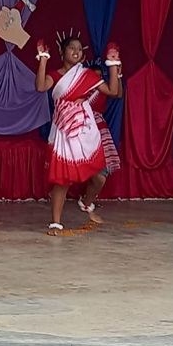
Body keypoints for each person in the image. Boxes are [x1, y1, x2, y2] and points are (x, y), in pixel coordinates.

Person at [35, 31, 122, 236]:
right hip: (64, 131)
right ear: (61, 51)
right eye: (71, 48)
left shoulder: (87, 75)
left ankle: (86, 202)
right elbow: (40, 87)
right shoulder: (55, 75)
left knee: (99, 178)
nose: (76, 51)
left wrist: (113, 66)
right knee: (62, 180)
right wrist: (43, 60)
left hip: (85, 129)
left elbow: (112, 91)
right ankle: (56, 222)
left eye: (79, 49)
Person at [77, 51, 123, 224]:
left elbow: (117, 94)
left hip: (99, 129)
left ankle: (87, 201)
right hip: (81, 127)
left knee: (100, 174)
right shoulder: (80, 89)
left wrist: (117, 74)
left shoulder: (103, 89)